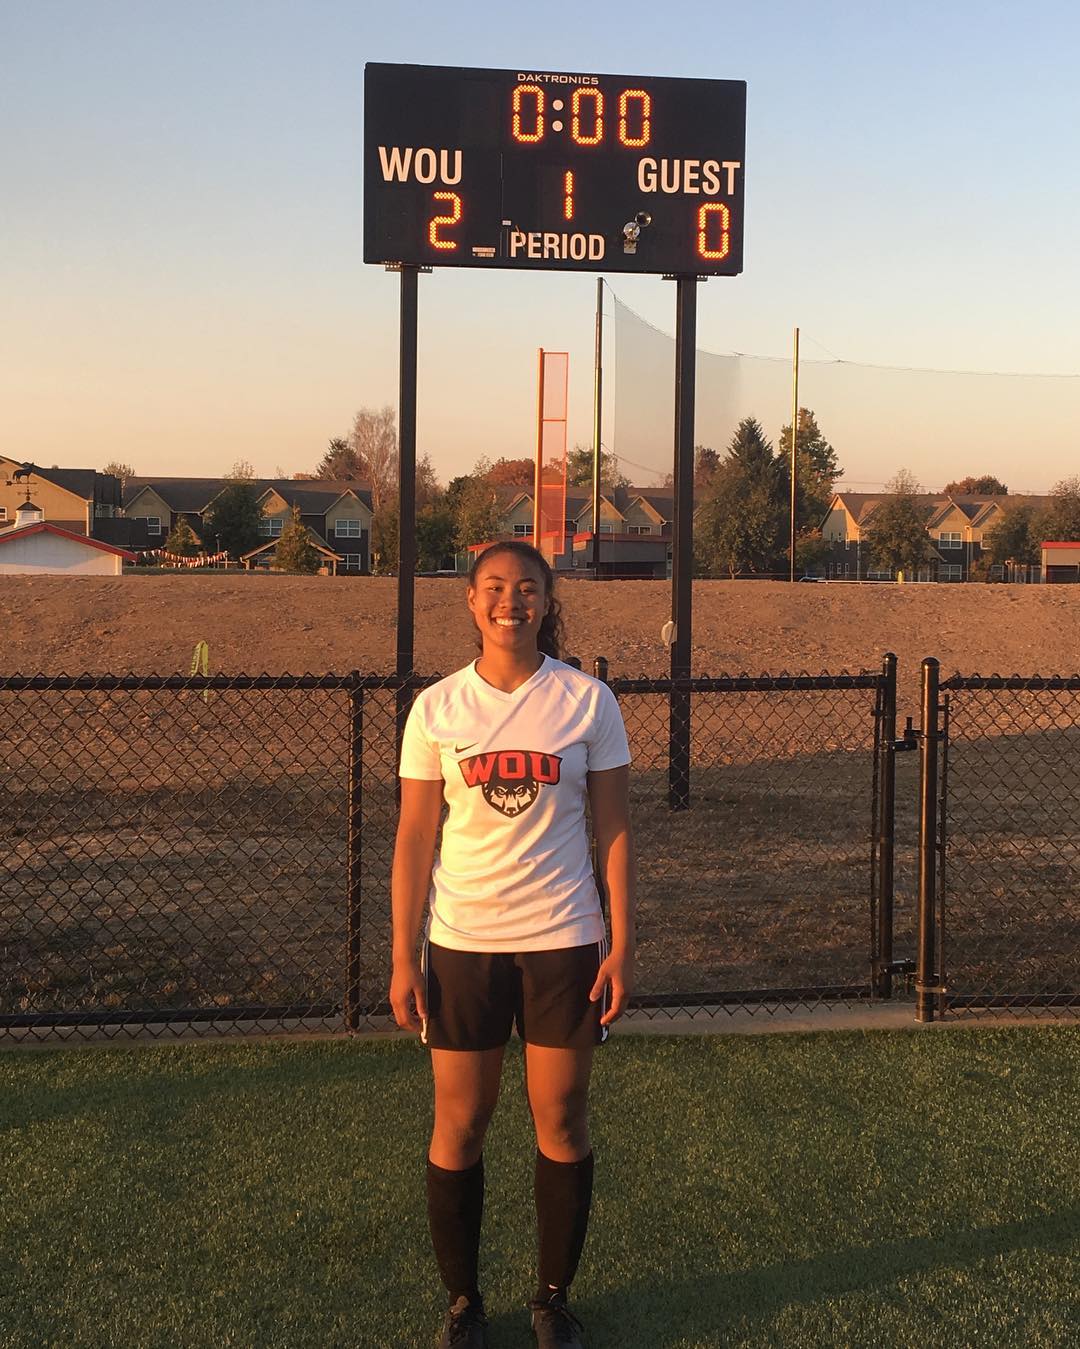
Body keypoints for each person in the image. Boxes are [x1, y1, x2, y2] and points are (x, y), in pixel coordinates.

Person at [390, 540, 636, 1349]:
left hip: (564, 938)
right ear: (469, 600)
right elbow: (415, 837)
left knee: (561, 1117)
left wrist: (622, 938)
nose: (510, 601)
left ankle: (553, 1299)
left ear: (546, 600)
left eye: (526, 587)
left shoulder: (588, 702)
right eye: (494, 586)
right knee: (460, 1120)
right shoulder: (437, 710)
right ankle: (464, 1303)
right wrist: (401, 953)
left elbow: (614, 829)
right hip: (463, 943)